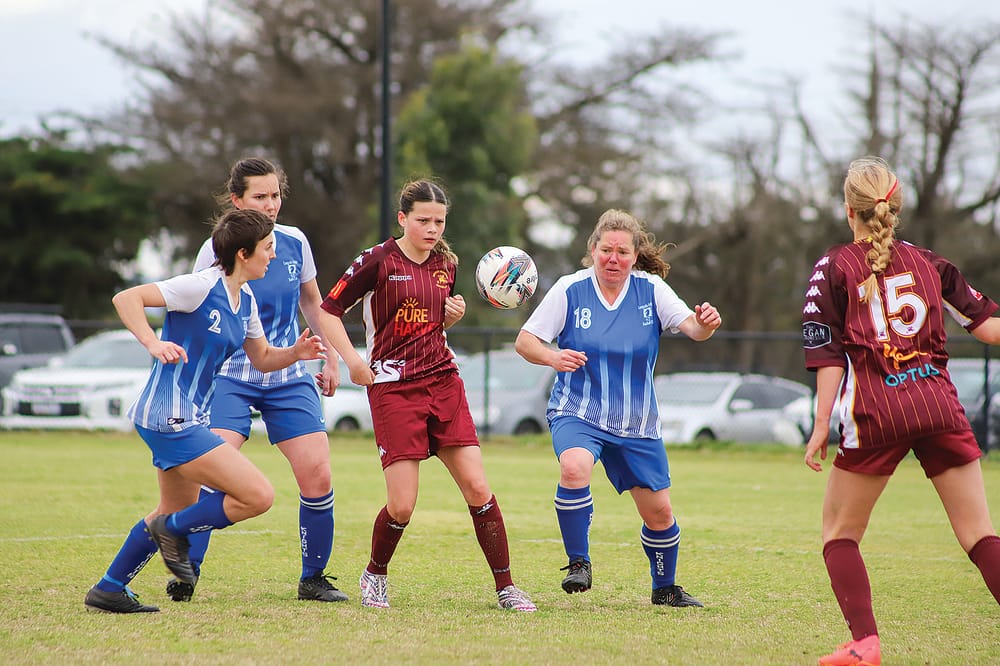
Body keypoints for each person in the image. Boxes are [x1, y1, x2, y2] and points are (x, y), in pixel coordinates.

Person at [802, 156, 1000, 665]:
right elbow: (988, 327)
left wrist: (822, 423)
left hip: (877, 412)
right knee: (979, 534)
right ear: (895, 208)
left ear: (849, 209)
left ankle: (865, 644)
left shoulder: (833, 266)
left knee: (839, 532)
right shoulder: (931, 263)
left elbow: (826, 357)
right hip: (939, 404)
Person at [84, 208, 327, 613]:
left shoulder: (244, 297)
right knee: (257, 496)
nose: (274, 256)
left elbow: (263, 358)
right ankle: (171, 532)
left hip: (183, 417)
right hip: (169, 417)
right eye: (267, 249)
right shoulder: (199, 286)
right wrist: (152, 343)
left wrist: (297, 353)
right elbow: (126, 298)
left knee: (174, 508)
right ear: (244, 253)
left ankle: (109, 588)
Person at [316, 179, 536, 612]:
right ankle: (374, 574)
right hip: (394, 389)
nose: (432, 229)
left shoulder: (446, 265)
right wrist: (354, 361)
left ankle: (507, 588)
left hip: (443, 381)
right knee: (402, 504)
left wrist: (451, 316)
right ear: (402, 218)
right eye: (423, 221)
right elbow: (329, 311)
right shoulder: (377, 260)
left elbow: (431, 325)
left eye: (439, 221)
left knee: (477, 486)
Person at [514, 208, 722, 607]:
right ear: (593, 250)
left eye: (622, 251)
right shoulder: (569, 289)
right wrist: (554, 358)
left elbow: (693, 329)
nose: (614, 258)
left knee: (659, 514)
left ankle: (665, 589)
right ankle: (579, 563)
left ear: (634, 254)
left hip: (636, 421)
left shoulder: (651, 290)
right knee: (574, 467)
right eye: (606, 249)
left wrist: (707, 323)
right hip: (579, 411)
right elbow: (526, 341)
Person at [175, 157, 347, 604]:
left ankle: (314, 579)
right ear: (237, 200)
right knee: (217, 471)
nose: (271, 205)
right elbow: (195, 312)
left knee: (318, 473)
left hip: (288, 372)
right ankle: (186, 569)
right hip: (231, 375)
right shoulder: (215, 248)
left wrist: (328, 359)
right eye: (260, 196)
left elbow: (314, 304)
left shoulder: (294, 241)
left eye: (275, 195)